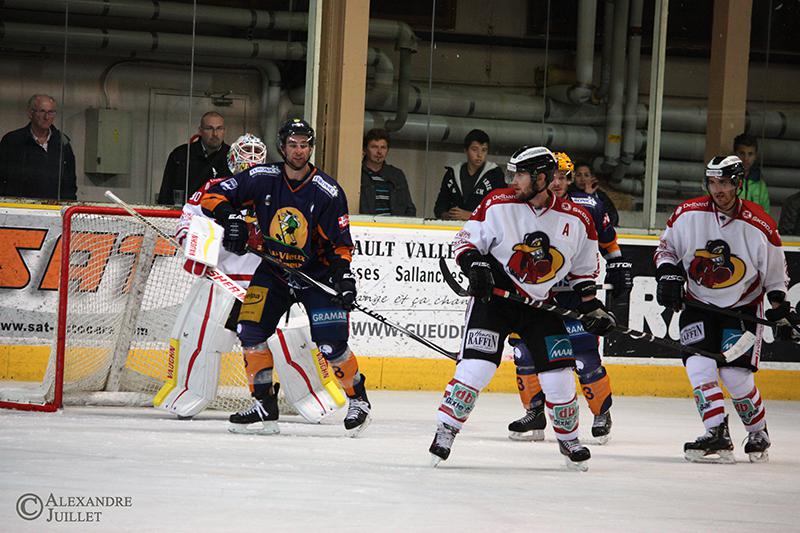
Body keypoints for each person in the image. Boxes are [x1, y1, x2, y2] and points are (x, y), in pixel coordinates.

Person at [429, 146, 616, 471]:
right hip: (495, 301)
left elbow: (583, 272)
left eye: (521, 175)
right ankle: (446, 430)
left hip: (541, 305)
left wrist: (591, 307)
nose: (513, 181)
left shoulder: (578, 218)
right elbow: (465, 242)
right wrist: (476, 265)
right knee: (477, 368)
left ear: (541, 178)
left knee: (559, 376)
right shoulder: (498, 203)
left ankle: (569, 439)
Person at [200, 118, 371, 436]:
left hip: (317, 275)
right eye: (293, 144)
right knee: (249, 331)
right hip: (275, 271)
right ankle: (264, 403)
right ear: (282, 147)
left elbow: (340, 245)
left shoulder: (328, 191)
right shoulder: (261, 177)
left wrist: (344, 278)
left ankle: (358, 399)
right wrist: (231, 218)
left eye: (304, 145)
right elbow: (212, 195)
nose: (298, 150)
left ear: (311, 148)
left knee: (331, 345)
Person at [654, 155, 791, 464]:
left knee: (734, 375)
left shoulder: (759, 224)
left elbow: (775, 276)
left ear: (738, 183)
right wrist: (668, 274)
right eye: (713, 183)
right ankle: (716, 432)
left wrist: (780, 308)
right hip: (697, 304)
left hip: (741, 309)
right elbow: (666, 249)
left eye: (726, 182)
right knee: (698, 367)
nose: (719, 190)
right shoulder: (687, 214)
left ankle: (757, 431)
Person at [507, 152, 632, 445]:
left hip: (574, 294)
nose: (558, 183)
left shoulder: (587, 206)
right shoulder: (524, 205)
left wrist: (618, 266)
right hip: (534, 295)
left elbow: (608, 241)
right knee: (524, 353)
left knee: (584, 356)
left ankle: (601, 413)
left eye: (564, 177)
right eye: (554, 177)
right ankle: (534, 412)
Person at [155, 134, 268, 418]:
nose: (250, 162)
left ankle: (299, 394)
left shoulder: (275, 191)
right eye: (245, 157)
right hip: (221, 280)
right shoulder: (213, 188)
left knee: (283, 339)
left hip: (264, 282)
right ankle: (188, 390)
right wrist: (194, 247)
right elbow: (188, 221)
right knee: (199, 335)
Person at [0, 94, 77, 200]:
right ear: (30, 113)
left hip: (54, 205)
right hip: (19, 205)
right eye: (42, 111)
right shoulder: (13, 141)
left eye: (51, 112)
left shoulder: (63, 143)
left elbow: (70, 182)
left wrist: (68, 204)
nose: (46, 117)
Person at [157, 111, 231, 205]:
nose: (215, 134)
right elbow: (165, 193)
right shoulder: (181, 155)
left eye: (219, 128)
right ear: (200, 131)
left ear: (224, 131)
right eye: (209, 128)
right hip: (184, 212)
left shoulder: (233, 157)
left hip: (221, 213)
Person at [433, 129, 506, 220]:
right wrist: (447, 215)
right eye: (474, 149)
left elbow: (500, 209)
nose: (479, 155)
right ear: (466, 150)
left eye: (484, 150)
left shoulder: (495, 175)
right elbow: (439, 207)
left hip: (482, 228)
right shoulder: (452, 173)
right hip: (454, 226)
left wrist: (471, 215)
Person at [359, 128, 416, 216]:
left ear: (387, 150)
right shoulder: (358, 174)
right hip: (366, 224)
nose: (379, 152)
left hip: (393, 223)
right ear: (365, 149)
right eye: (374, 147)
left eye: (383, 147)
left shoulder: (397, 175)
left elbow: (409, 207)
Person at [570, 161, 619, 227]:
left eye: (586, 175)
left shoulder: (599, 195)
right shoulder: (568, 193)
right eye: (578, 175)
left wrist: (591, 196)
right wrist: (587, 196)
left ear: (592, 177)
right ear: (573, 177)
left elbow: (613, 217)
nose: (582, 179)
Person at [733, 133, 770, 214]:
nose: (746, 158)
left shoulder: (760, 186)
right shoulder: (722, 180)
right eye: (742, 153)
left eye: (750, 154)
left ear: (755, 156)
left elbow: (766, 216)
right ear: (735, 154)